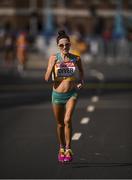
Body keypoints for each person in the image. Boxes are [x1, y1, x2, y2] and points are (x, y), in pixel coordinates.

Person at [44, 30, 84, 163]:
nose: (64, 47)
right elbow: (46, 78)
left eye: (67, 44)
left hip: (71, 94)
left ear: (70, 45)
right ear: (58, 46)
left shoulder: (76, 58)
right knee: (60, 124)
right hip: (57, 95)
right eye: (61, 45)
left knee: (67, 120)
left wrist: (80, 82)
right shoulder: (53, 57)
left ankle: (68, 148)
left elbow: (82, 73)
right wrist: (52, 66)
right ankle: (61, 147)